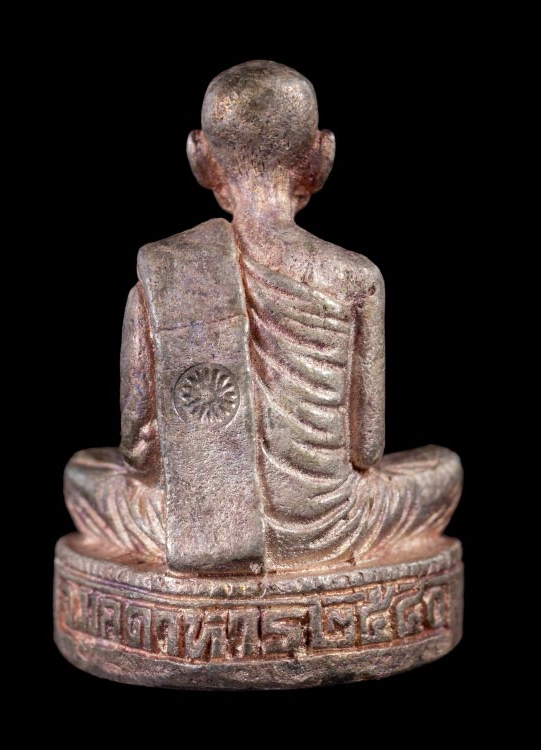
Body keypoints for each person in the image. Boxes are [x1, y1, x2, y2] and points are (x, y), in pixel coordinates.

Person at [65, 61, 462, 572]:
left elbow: (139, 454)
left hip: (183, 522)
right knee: (442, 469)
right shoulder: (356, 278)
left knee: (84, 472)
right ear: (321, 156)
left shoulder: (163, 276)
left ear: (200, 157)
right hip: (331, 524)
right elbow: (366, 450)